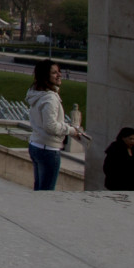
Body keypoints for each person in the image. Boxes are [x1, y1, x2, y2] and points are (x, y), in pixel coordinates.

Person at [25, 61, 80, 191]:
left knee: (39, 189)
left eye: (59, 71)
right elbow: (50, 126)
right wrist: (71, 130)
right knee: (46, 192)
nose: (59, 75)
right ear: (45, 76)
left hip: (36, 144)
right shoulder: (50, 99)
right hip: (48, 149)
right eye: (54, 73)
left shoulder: (36, 94)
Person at [102, 127, 134, 191]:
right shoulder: (115, 150)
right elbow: (108, 168)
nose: (132, 141)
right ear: (123, 138)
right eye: (130, 139)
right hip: (118, 185)